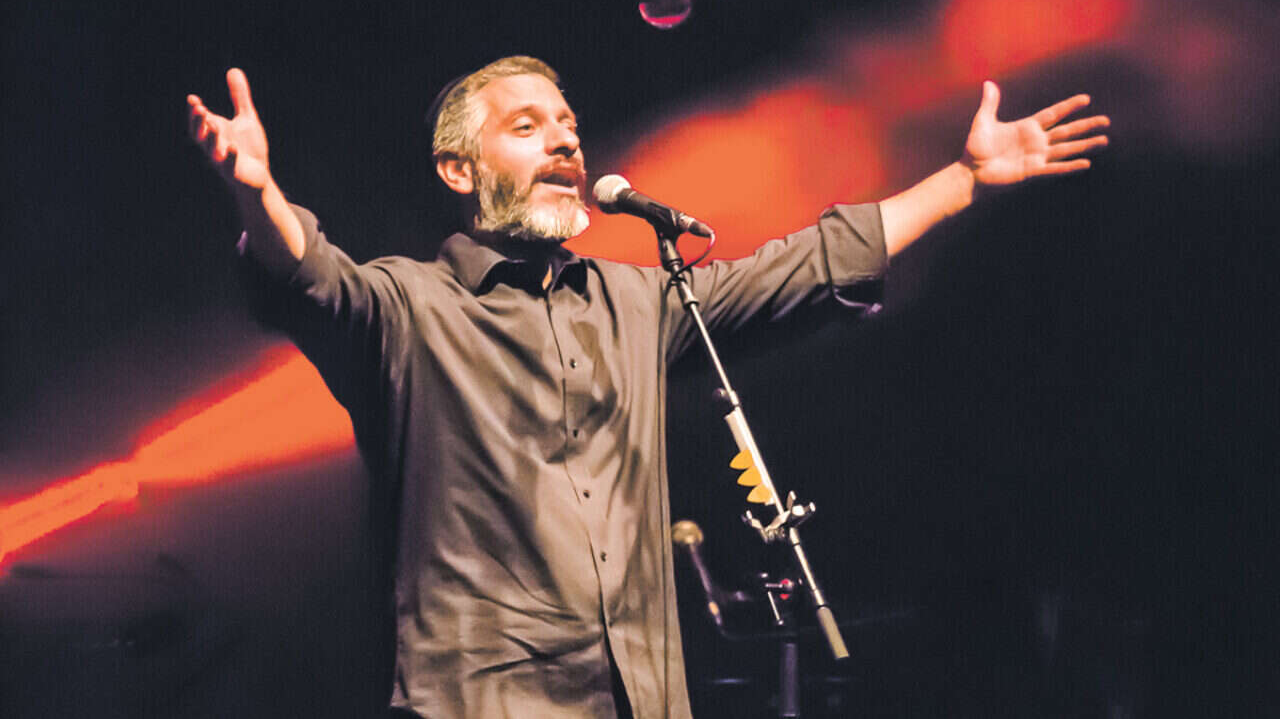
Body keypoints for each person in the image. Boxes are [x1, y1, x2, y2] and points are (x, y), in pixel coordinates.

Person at [185, 56, 1108, 718]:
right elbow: (312, 277)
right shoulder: (409, 306)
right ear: (458, 170)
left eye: (568, 125)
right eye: (526, 126)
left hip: (643, 694)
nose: (565, 140)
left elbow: (799, 268)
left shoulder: (636, 299)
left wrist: (964, 180)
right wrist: (255, 194)